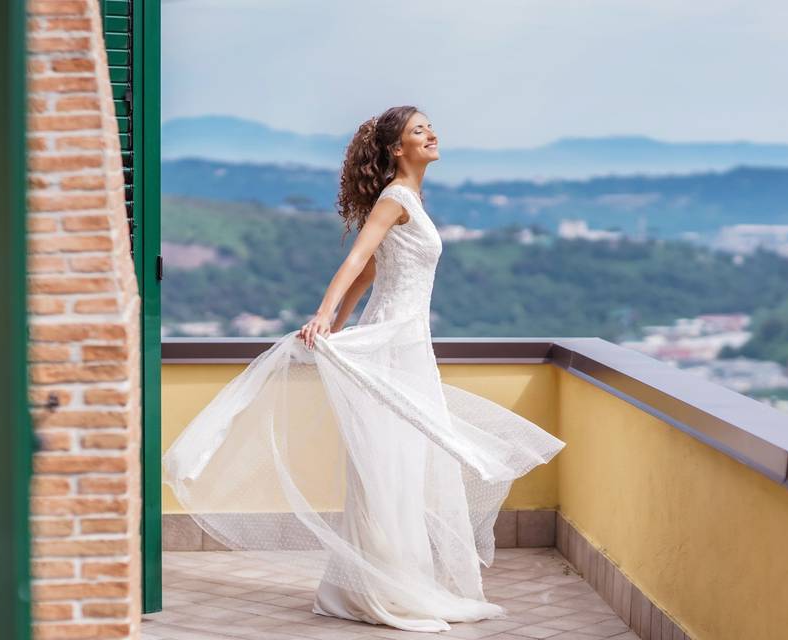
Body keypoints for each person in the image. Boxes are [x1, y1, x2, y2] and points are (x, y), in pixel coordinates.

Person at [162, 106, 566, 633]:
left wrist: (339, 321)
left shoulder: (412, 201)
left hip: (409, 346)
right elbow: (355, 261)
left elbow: (372, 274)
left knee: (401, 469)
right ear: (397, 148)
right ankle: (380, 591)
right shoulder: (395, 198)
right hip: (392, 347)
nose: (431, 133)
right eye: (419, 130)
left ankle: (378, 582)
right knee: (384, 471)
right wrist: (323, 318)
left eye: (429, 126)